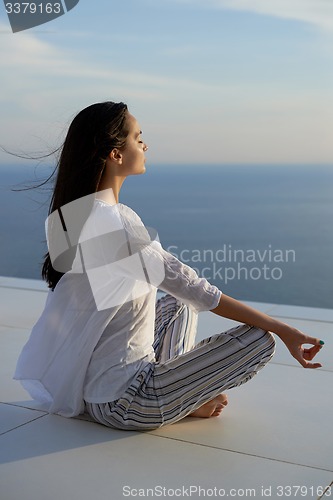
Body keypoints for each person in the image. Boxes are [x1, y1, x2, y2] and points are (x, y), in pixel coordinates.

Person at [14, 101, 324, 430]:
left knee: (179, 305)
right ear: (115, 154)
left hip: (94, 390)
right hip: (127, 403)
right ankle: (186, 400)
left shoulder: (73, 216)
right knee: (262, 338)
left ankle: (186, 394)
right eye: (138, 138)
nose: (145, 145)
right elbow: (198, 289)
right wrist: (285, 330)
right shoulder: (113, 224)